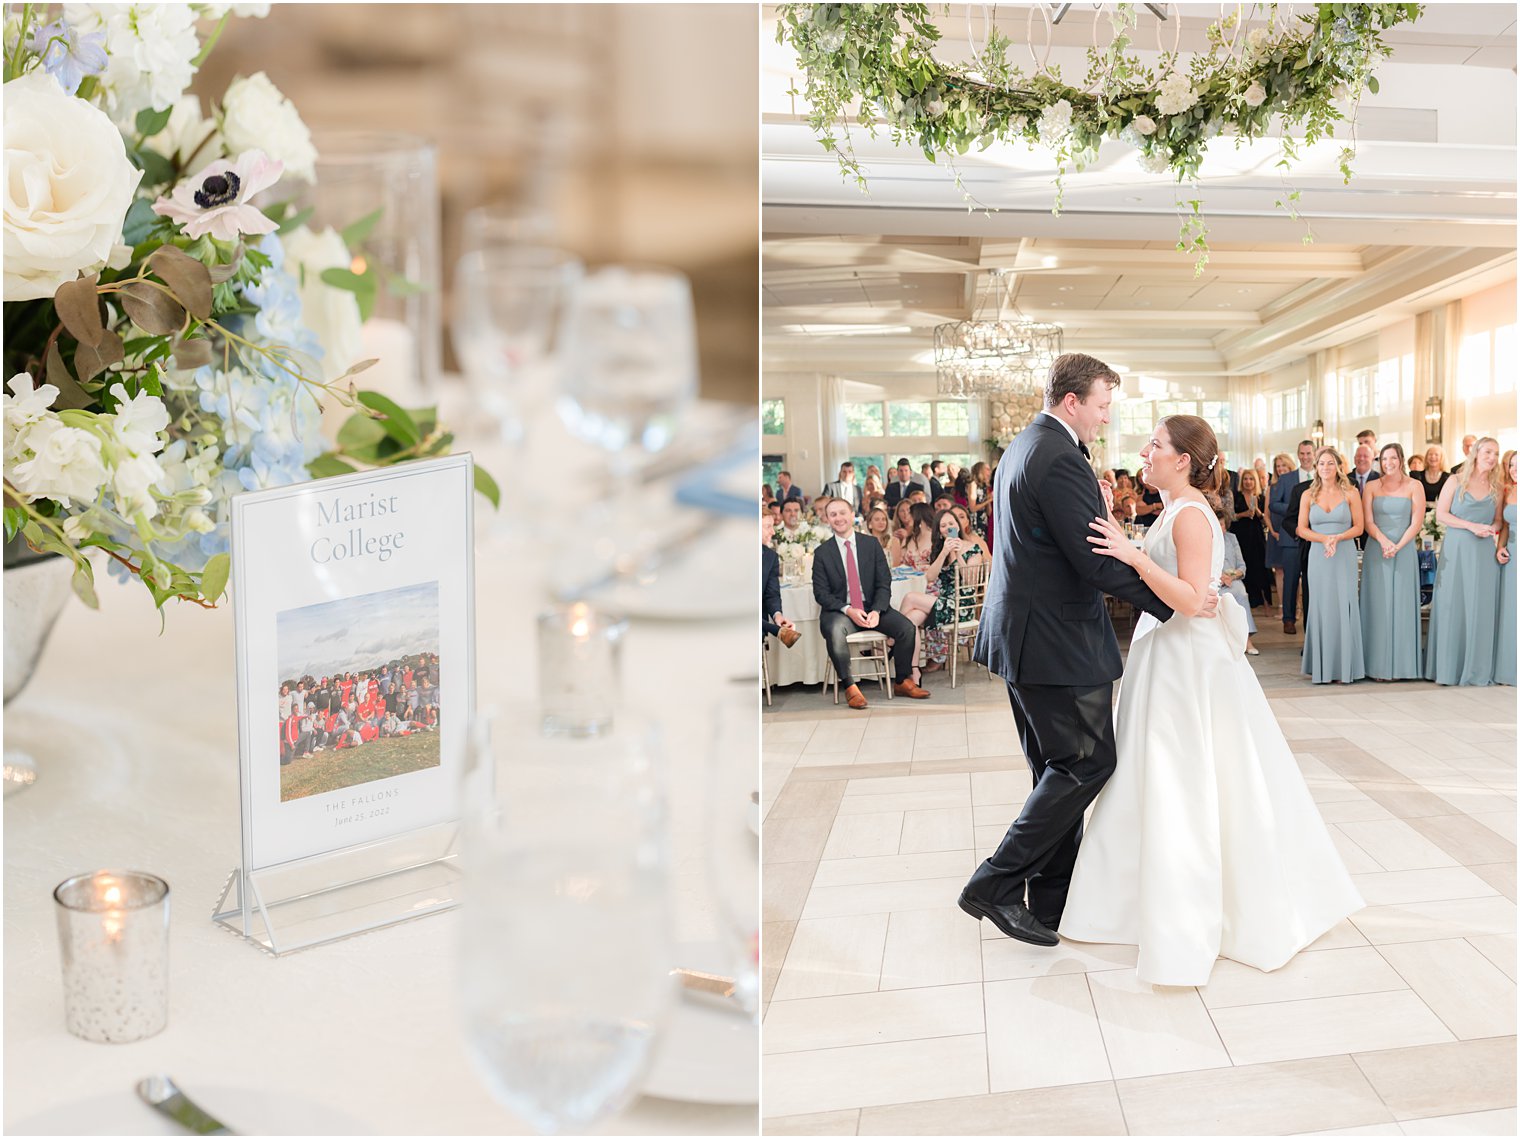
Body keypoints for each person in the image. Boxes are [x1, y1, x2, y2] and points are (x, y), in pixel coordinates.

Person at [1070, 414, 1362, 986]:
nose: (1145, 451)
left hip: (1188, 666)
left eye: (1154, 445)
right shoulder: (1174, 509)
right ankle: (1132, 899)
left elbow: (1186, 598)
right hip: (1168, 657)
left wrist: (1133, 556)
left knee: (1192, 779)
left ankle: (1203, 907)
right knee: (1155, 779)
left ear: (1182, 460)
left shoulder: (1191, 516)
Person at [957, 354, 1212, 948]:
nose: (1105, 418)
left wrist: (1096, 510)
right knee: (1085, 766)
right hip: (1057, 642)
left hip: (1025, 636)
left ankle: (1051, 902)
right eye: (1101, 406)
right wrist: (1171, 603)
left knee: (1057, 771)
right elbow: (1094, 560)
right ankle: (993, 884)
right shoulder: (1059, 456)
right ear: (1072, 401)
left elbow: (1062, 537)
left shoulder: (1025, 446)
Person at [812, 498, 930, 708]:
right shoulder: (822, 553)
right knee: (834, 630)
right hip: (841, 611)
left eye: (842, 513)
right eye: (833, 515)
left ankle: (902, 681)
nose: (838, 518)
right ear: (827, 520)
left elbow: (884, 581)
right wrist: (848, 610)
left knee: (907, 628)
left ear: (851, 515)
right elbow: (821, 594)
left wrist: (877, 610)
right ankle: (850, 687)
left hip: (872, 606)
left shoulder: (871, 544)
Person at [1426, 437, 1504, 686]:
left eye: (1496, 453)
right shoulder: (1455, 480)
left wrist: (1491, 528)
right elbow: (1441, 514)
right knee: (1453, 605)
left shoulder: (1498, 487)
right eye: (1488, 452)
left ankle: (1476, 668)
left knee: (1479, 607)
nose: (1492, 457)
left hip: (1483, 552)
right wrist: (1471, 526)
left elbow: (1499, 522)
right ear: (1476, 452)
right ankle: (1449, 668)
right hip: (1457, 549)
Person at [1299, 447, 1366, 684]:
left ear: (1338, 466)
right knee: (1320, 606)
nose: (1325, 468)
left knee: (1343, 605)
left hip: (1343, 552)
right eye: (1321, 464)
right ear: (1316, 468)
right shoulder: (1308, 495)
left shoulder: (1351, 493)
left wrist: (1337, 538)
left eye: (1329, 463)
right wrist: (1324, 539)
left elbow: (1359, 527)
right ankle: (1322, 668)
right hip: (1319, 554)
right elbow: (1301, 528)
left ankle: (1344, 667)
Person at [1361, 443, 1426, 681]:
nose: (1388, 463)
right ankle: (1377, 666)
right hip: (1377, 549)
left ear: (1401, 459)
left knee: (1402, 604)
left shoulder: (1414, 486)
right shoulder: (1370, 487)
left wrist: (1398, 546)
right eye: (1384, 459)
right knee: (1378, 605)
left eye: (1393, 458)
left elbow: (1416, 522)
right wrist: (1384, 542)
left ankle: (1403, 666)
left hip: (1405, 549)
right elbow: (1368, 522)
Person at [896, 509, 982, 682]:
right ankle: (912, 672)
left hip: (961, 606)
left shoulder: (973, 548)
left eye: (951, 523)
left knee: (910, 597)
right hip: (943, 601)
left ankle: (892, 639)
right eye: (943, 525)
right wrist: (944, 552)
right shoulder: (940, 549)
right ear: (939, 530)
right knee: (912, 619)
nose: (948, 527)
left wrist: (957, 552)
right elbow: (930, 577)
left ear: (958, 525)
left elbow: (969, 582)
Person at [1276, 439, 1317, 633]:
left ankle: (1310, 623)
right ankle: (1289, 619)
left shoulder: (1322, 476)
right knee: (1290, 580)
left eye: (1309, 453)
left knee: (1310, 583)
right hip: (1291, 537)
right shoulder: (1286, 479)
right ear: (1298, 454)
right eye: (1302, 453)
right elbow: (1273, 504)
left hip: (1315, 539)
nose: (1305, 457)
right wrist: (1300, 508)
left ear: (1314, 455)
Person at [1217, 501, 1259, 654]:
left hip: (1232, 580)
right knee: (1222, 595)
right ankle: (1226, 642)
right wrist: (1219, 577)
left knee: (1240, 593)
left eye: (1222, 524)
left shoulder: (1232, 538)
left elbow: (1242, 567)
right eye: (1217, 524)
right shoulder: (1206, 540)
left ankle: (1247, 641)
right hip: (1214, 581)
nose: (1220, 528)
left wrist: (1231, 576)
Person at [1231, 468, 1270, 608]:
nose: (1248, 482)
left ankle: (1264, 601)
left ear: (1256, 481)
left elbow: (1266, 520)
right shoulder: (1236, 496)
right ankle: (1246, 601)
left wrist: (1258, 513)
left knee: (1259, 565)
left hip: (1256, 535)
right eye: (1246, 479)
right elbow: (1230, 517)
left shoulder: (1261, 497)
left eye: (1251, 479)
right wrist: (1244, 514)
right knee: (1244, 564)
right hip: (1241, 535)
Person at [762, 511, 799, 649]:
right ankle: (777, 631)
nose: (772, 532)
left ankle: (776, 628)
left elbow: (771, 594)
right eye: (767, 526)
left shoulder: (770, 557)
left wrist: (778, 616)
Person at [1496, 450, 1516, 687]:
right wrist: (1500, 547)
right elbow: (1506, 526)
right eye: (1512, 465)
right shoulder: (1508, 491)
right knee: (1511, 609)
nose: (1514, 469)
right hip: (1512, 555)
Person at [1418, 445, 1449, 510]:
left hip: (1440, 515)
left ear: (1441, 458)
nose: (1433, 457)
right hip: (1420, 512)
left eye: (1436, 455)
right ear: (1426, 457)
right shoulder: (1417, 476)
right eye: (1430, 454)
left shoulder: (1448, 477)